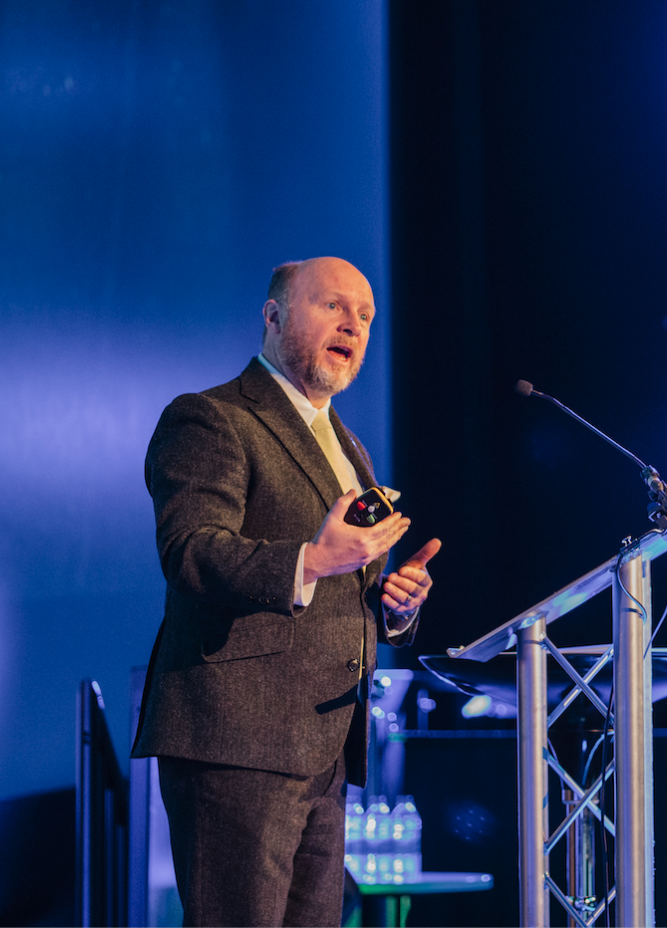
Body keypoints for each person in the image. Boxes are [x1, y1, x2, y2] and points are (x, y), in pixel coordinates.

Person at [131, 256, 440, 927]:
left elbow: (342, 580)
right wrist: (313, 559)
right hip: (238, 740)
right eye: (333, 306)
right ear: (273, 316)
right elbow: (191, 551)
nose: (353, 324)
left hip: (325, 747)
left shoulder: (347, 445)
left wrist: (394, 604)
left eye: (365, 316)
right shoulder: (210, 418)